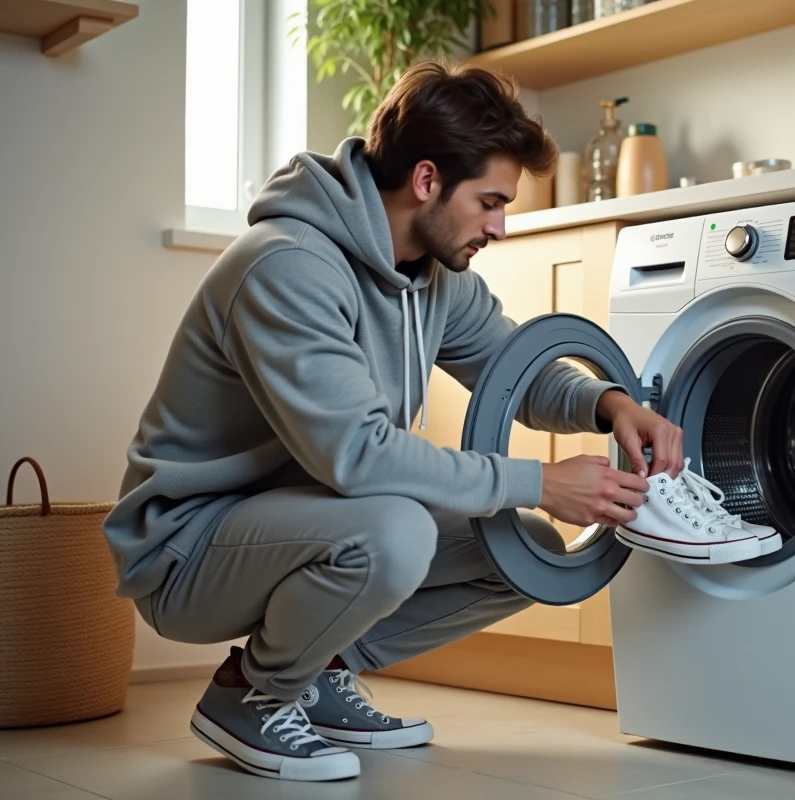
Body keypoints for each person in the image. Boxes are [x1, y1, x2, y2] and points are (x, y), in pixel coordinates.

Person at [101, 59, 684, 783]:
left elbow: (514, 370)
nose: (501, 226)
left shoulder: (434, 278)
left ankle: (312, 673)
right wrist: (537, 479)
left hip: (301, 521)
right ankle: (249, 695)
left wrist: (610, 405)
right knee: (399, 530)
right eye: (492, 201)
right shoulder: (287, 267)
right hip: (188, 550)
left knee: (522, 549)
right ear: (429, 181)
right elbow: (358, 456)